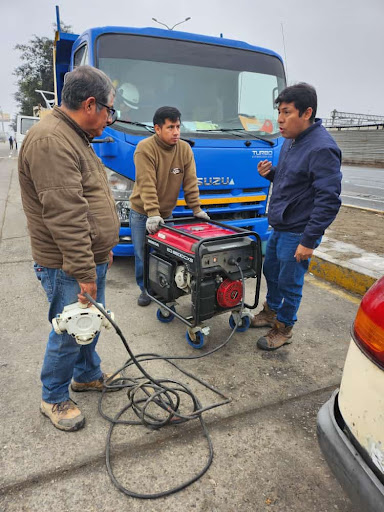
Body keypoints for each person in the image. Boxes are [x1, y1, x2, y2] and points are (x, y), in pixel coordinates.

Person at [18, 66, 120, 431]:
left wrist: (103, 246)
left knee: (89, 324)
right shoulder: (52, 141)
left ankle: (87, 374)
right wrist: (83, 271)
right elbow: (66, 215)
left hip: (85, 258)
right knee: (68, 329)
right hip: (66, 265)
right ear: (91, 104)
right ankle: (54, 397)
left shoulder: (73, 135)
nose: (110, 118)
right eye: (110, 110)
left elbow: (89, 201)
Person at [251, 83, 342, 351]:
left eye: (287, 112)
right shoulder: (291, 141)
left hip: (298, 231)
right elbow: (293, 180)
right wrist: (270, 174)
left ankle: (284, 327)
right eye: (279, 111)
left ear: (307, 113)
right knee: (272, 272)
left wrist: (309, 240)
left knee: (291, 281)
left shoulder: (322, 148)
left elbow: (328, 200)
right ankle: (271, 312)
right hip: (280, 225)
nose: (279, 119)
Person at [129, 106, 209, 306]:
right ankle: (145, 289)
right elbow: (146, 183)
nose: (176, 132)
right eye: (170, 127)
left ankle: (165, 287)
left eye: (178, 127)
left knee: (169, 254)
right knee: (143, 254)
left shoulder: (184, 149)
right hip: (142, 213)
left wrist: (196, 209)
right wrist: (153, 214)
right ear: (157, 128)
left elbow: (190, 182)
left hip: (166, 214)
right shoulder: (145, 148)